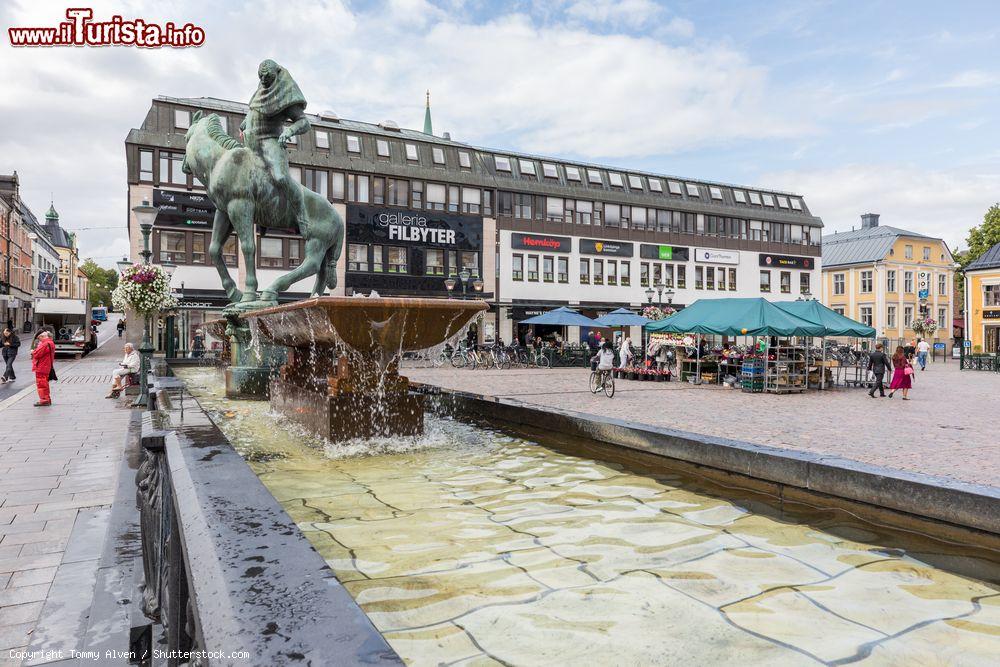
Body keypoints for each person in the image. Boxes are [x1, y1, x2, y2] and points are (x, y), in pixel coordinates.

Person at [30, 330, 56, 407]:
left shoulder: (45, 344)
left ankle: (44, 400)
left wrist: (32, 352)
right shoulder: (50, 342)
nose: (39, 340)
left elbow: (37, 354)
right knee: (45, 384)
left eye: (39, 338)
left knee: (41, 384)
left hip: (41, 367)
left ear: (42, 337)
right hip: (46, 366)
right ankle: (47, 399)